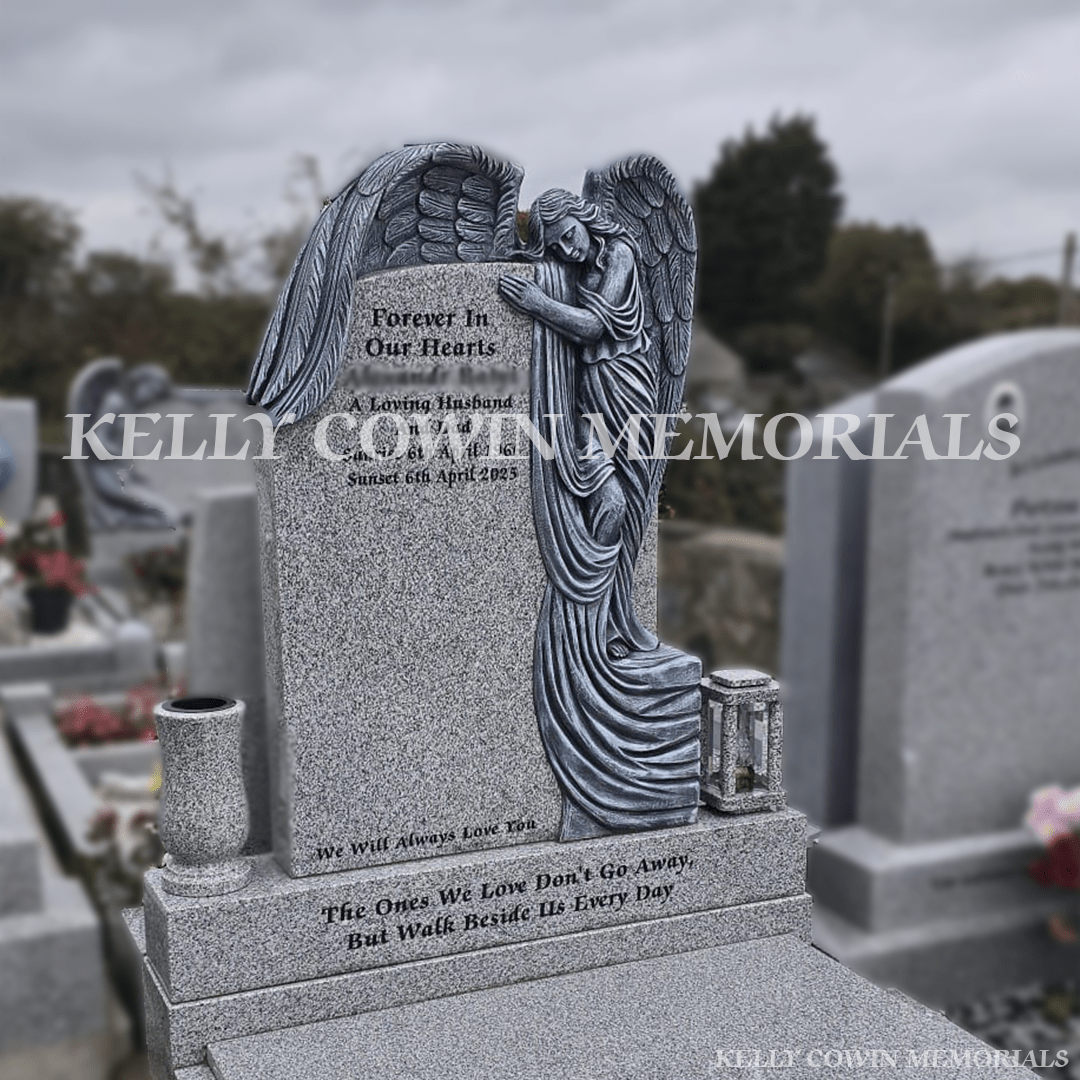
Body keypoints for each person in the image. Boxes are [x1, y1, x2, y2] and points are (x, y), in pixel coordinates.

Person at [498, 190, 700, 841]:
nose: (564, 252)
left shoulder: (618, 255)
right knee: (602, 504)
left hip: (626, 389)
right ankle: (600, 631)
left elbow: (593, 328)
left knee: (620, 513)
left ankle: (613, 629)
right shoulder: (578, 261)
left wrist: (535, 303)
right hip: (591, 398)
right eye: (553, 247)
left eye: (565, 239)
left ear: (583, 223)